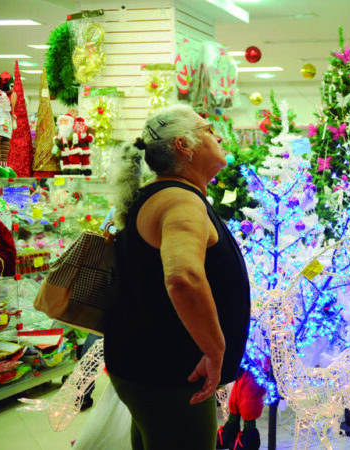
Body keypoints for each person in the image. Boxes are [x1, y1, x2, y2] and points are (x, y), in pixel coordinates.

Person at [104, 104, 251, 450]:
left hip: (153, 366)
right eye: (208, 129)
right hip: (172, 372)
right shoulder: (179, 200)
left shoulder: (164, 193)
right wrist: (214, 349)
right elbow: (182, 278)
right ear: (184, 146)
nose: (218, 136)